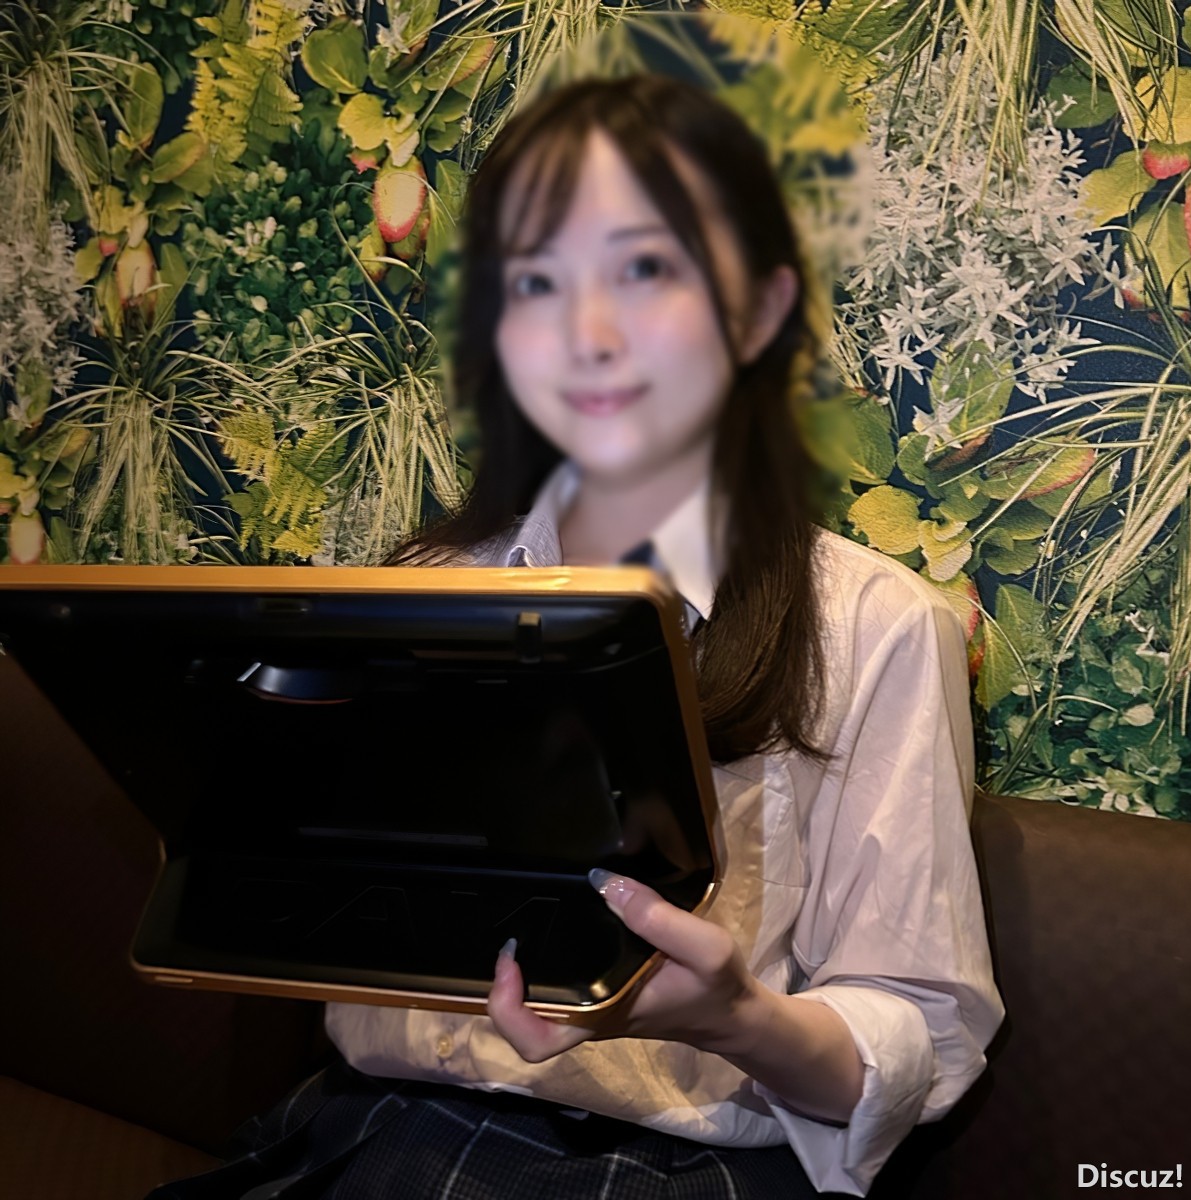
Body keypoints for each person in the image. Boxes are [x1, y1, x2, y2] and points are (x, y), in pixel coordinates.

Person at [150, 73, 1003, 1199]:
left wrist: (733, 1017)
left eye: (645, 270)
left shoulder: (874, 625)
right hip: (364, 1129)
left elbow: (918, 1029)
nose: (586, 333)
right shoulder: (420, 588)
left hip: (666, 1166)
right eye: (535, 280)